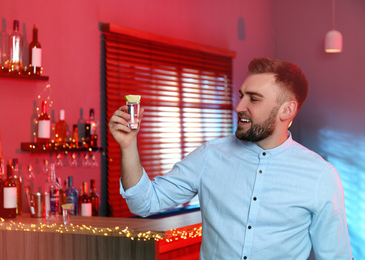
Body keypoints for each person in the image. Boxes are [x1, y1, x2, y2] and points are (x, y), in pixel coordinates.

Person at [109, 57, 353, 259]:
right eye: (241, 95)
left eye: (254, 99)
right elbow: (143, 204)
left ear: (287, 110)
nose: (239, 107)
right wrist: (129, 146)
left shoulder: (320, 176)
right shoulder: (209, 156)